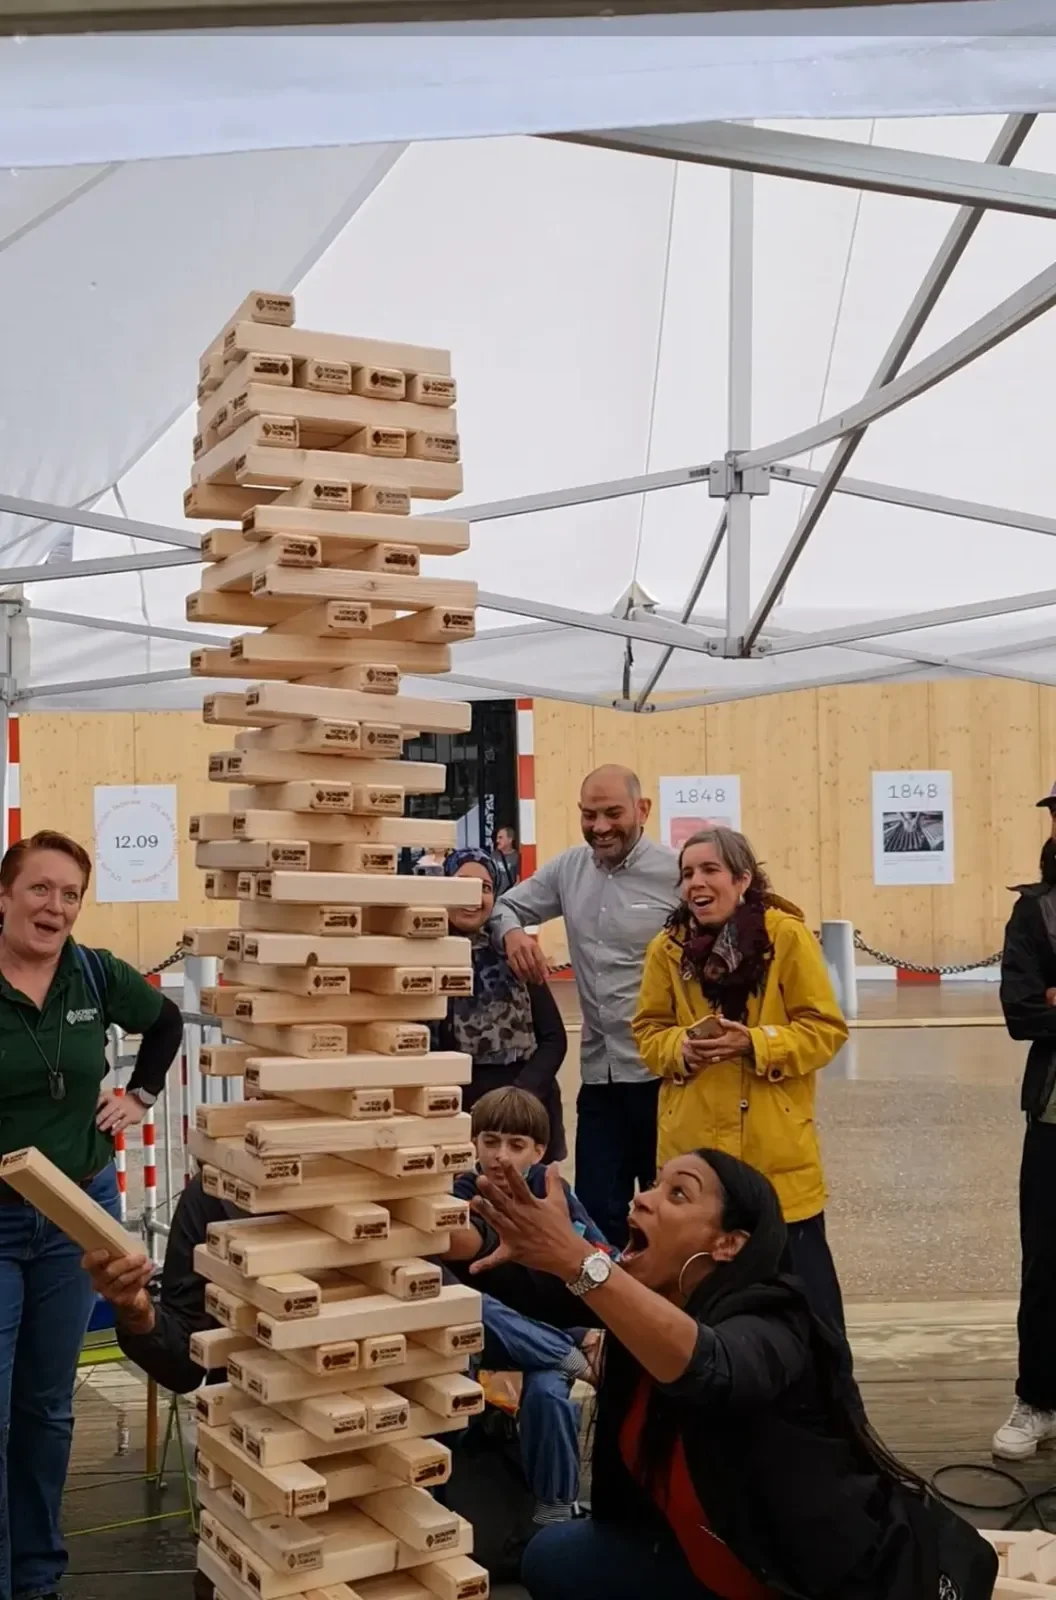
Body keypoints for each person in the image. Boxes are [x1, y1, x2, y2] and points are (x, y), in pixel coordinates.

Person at [468, 1147, 996, 1600]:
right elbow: (532, 1281)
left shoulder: (776, 1322)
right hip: (707, 1559)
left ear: (728, 1244)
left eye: (678, 1194)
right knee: (555, 1557)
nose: (643, 1198)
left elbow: (713, 1370)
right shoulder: (644, 1299)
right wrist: (440, 1230)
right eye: (653, 1183)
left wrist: (577, 1259)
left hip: (804, 1581)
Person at [0, 829, 183, 1600]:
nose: (56, 907)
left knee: (46, 1408)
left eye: (70, 894)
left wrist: (137, 1094)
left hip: (79, 1212)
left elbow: (167, 1023)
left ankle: (38, 1578)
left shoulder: (93, 972)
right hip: (0, 1217)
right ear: (4, 896)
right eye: (40, 889)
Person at [632, 826, 850, 1342]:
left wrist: (755, 1044)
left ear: (743, 879)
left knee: (816, 1321)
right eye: (687, 873)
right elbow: (647, 1032)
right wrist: (681, 1049)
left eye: (710, 870)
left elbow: (825, 1031)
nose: (696, 883)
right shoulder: (667, 948)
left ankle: (830, 1414)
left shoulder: (786, 937)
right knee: (703, 1322)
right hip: (696, 1168)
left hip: (777, 1166)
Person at [488, 766, 678, 1247]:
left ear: (642, 810)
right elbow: (501, 906)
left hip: (666, 1081)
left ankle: (672, 1321)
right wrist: (512, 934)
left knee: (669, 1222)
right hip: (600, 1080)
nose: (600, 826)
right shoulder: (568, 869)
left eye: (613, 813)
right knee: (595, 1220)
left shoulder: (676, 874)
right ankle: (610, 1319)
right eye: (589, 815)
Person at [445, 1086, 609, 1526]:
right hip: (483, 1341)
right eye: (490, 1142)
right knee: (465, 1303)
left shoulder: (553, 1193)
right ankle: (566, 1355)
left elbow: (600, 1259)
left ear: (538, 1151)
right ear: (472, 1143)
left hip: (548, 1334)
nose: (501, 1157)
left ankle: (554, 1513)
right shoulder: (459, 1194)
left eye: (517, 1145)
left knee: (546, 1393)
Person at [434, 848, 567, 1162]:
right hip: (456, 1114)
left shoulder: (515, 953)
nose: (475, 896)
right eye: (463, 883)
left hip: (526, 1115)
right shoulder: (423, 959)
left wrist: (517, 1100)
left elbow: (553, 1039)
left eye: (485, 888)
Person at [993, 830, 1056, 1459]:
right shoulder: (1034, 910)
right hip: (1054, 1117)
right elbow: (1021, 1011)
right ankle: (1037, 1398)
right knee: (1045, 1262)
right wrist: (1043, 1001)